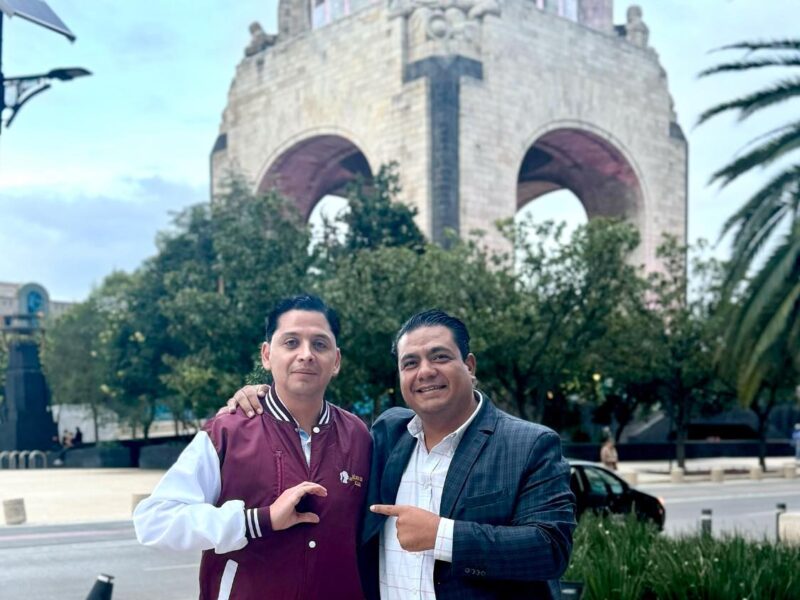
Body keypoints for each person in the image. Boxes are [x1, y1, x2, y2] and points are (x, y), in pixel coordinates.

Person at [230, 309, 575, 599]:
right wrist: (263, 396)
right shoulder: (387, 434)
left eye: (440, 356)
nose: (425, 372)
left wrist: (443, 536)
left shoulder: (529, 444)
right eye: (410, 363)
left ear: (469, 365)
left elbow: (551, 549)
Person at [134, 295, 372, 600]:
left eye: (319, 344)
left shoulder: (358, 436)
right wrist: (255, 521)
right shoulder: (227, 432)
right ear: (267, 355)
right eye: (291, 342)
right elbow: (154, 521)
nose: (306, 355)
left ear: (336, 360)